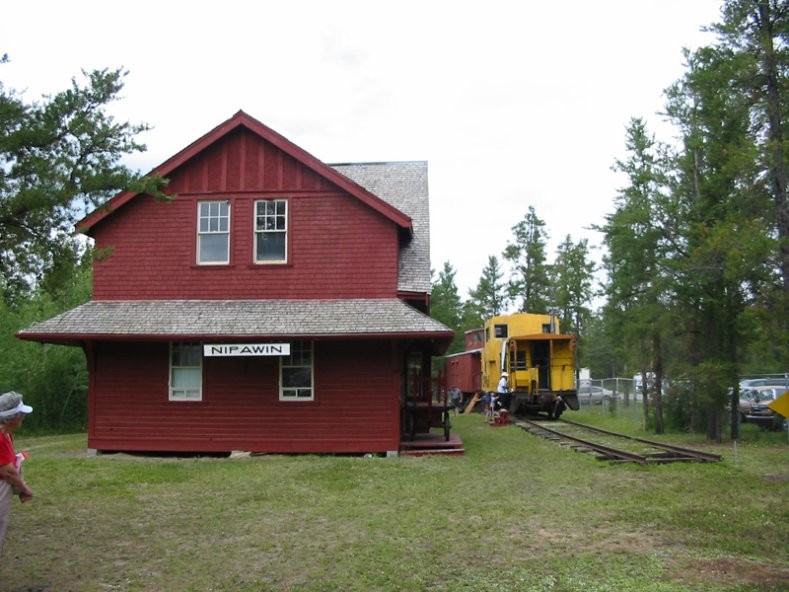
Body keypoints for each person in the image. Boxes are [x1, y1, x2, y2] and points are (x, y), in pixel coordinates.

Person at [0, 391, 34, 558]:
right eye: (20, 414)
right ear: (12, 416)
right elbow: (8, 471)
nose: (23, 417)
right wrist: (24, 489)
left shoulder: (6, 433)